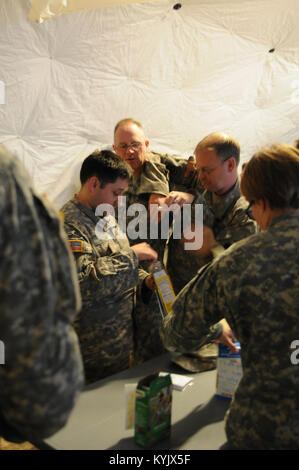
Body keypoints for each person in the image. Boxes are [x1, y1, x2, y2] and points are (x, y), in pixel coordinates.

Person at [161, 143, 299, 450]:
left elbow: (176, 334)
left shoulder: (237, 261)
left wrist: (215, 327)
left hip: (263, 432)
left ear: (260, 202)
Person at [0, 145, 84, 444]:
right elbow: (59, 294)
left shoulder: (110, 218)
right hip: (32, 392)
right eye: (116, 191)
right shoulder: (6, 172)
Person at [61, 150, 157, 384]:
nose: (119, 201)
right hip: (90, 358)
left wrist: (145, 280)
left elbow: (120, 267)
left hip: (121, 348)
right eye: (116, 193)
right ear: (94, 183)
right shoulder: (68, 226)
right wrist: (132, 257)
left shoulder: (106, 216)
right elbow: (81, 284)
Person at [113, 118, 197, 362]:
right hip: (118, 271)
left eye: (135, 144)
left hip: (153, 272)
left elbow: (210, 181)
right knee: (118, 344)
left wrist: (187, 196)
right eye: (123, 145)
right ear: (114, 148)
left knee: (155, 342)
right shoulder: (108, 174)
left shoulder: (166, 167)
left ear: (146, 145)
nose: (130, 151)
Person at [165, 131, 258, 294]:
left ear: (230, 165)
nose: (200, 176)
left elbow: (234, 271)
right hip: (174, 285)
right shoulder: (211, 183)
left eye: (206, 170)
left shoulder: (245, 213)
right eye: (198, 169)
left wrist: (210, 246)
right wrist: (190, 197)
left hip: (203, 300)